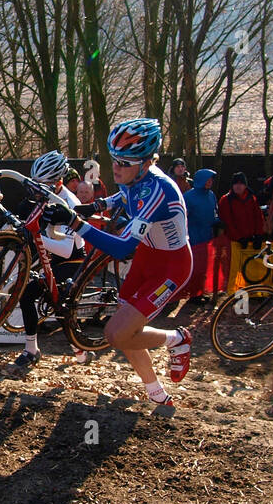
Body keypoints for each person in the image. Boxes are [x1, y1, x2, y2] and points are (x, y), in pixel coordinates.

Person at [64, 118, 193, 407]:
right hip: (149, 257)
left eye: (124, 162)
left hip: (171, 267)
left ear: (146, 163)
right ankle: (157, 395)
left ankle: (177, 338)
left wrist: (76, 224)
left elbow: (122, 249)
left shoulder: (158, 189)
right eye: (114, 160)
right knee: (124, 331)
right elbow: (123, 195)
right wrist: (96, 206)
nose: (116, 168)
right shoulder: (136, 178)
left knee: (117, 334)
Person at [11, 150, 92, 367]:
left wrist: (34, 236)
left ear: (58, 181)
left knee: (58, 303)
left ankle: (79, 349)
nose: (37, 191)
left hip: (72, 261)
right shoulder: (43, 197)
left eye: (43, 185)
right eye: (35, 184)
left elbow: (66, 249)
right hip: (53, 258)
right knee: (27, 296)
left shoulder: (70, 203)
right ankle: (31, 349)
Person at [182, 168, 218, 300]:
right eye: (207, 180)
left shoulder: (211, 195)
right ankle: (193, 294)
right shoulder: (188, 197)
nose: (209, 182)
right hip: (193, 236)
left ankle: (201, 291)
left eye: (211, 180)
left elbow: (214, 213)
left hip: (207, 235)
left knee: (204, 266)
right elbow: (183, 218)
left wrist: (218, 222)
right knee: (195, 267)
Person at [218, 172, 265, 248]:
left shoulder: (252, 199)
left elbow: (258, 217)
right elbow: (227, 222)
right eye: (235, 183)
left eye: (241, 183)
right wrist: (239, 238)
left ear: (245, 185)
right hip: (233, 242)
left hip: (251, 241)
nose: (238, 186)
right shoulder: (225, 200)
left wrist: (258, 235)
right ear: (232, 185)